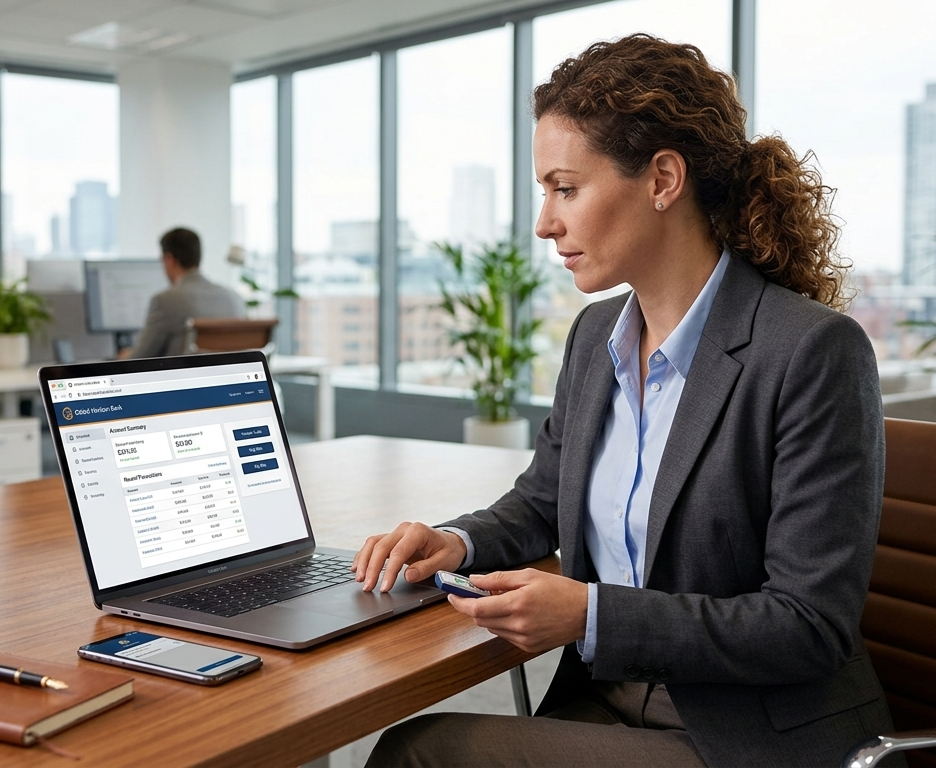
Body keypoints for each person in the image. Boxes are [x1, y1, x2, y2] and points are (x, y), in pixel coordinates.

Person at [353, 34, 891, 768]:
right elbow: (542, 500)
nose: (545, 222)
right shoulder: (595, 336)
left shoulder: (811, 351)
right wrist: (457, 542)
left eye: (565, 189)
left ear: (662, 179)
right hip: (607, 696)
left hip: (741, 733)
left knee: (420, 753)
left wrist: (591, 615)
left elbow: (807, 624)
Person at [119, 227, 245, 359]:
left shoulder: (164, 301)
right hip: (227, 372)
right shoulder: (235, 299)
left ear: (169, 259)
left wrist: (124, 356)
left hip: (184, 372)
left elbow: (139, 358)